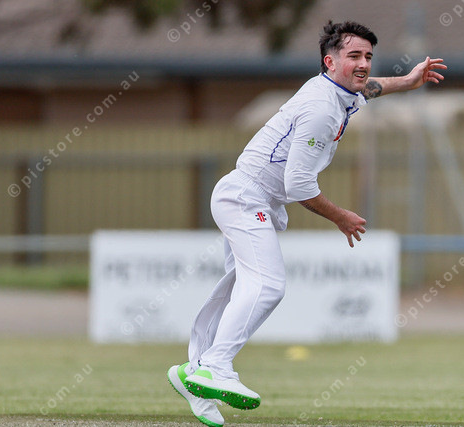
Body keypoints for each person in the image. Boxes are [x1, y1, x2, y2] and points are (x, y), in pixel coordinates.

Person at [167, 20, 446, 427]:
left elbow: (368, 88)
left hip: (248, 196)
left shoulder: (340, 92)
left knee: (237, 287)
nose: (363, 64)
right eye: (354, 55)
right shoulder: (321, 109)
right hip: (245, 198)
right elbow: (297, 185)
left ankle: (194, 371)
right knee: (268, 285)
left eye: (368, 56)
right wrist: (341, 217)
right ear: (329, 62)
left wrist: (406, 81)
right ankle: (215, 367)